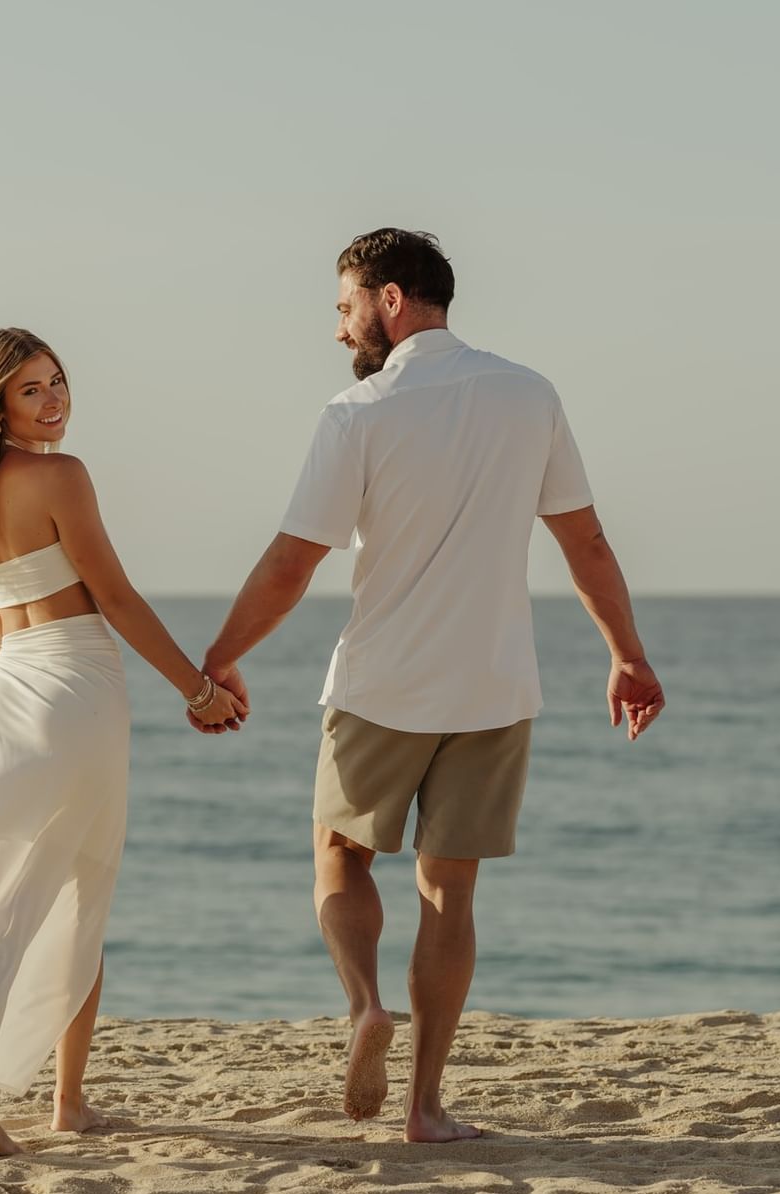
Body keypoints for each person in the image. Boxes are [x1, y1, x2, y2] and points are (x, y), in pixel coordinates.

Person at [193, 229, 664, 1142]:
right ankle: (426, 1108)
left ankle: (366, 1003)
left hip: (381, 686)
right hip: (494, 686)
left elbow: (294, 560)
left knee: (339, 853)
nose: (339, 329)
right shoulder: (531, 396)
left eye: (344, 307)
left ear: (391, 300)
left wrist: (220, 656)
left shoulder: (357, 412)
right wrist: (627, 655)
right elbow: (588, 543)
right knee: (450, 892)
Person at [0, 328, 245, 1159]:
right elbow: (118, 598)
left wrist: (23, 692)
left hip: (15, 688)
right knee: (80, 887)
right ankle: (32, 1103)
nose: (55, 399)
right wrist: (198, 690)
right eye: (32, 389)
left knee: (8, 893)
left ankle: (26, 1098)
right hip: (81, 685)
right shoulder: (62, 475)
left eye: (58, 381)